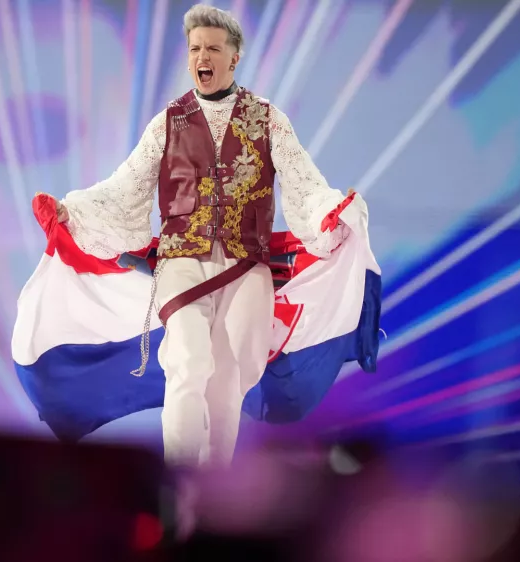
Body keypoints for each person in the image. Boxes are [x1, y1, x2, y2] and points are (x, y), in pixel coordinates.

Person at [22, 4, 379, 467]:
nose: (201, 56)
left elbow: (305, 184)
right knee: (188, 363)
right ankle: (178, 484)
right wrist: (74, 211)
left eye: (213, 48)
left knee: (228, 382)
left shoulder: (269, 120)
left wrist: (334, 212)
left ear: (234, 58)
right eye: (194, 48)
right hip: (181, 261)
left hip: (246, 266)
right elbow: (125, 187)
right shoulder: (167, 122)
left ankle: (210, 495)